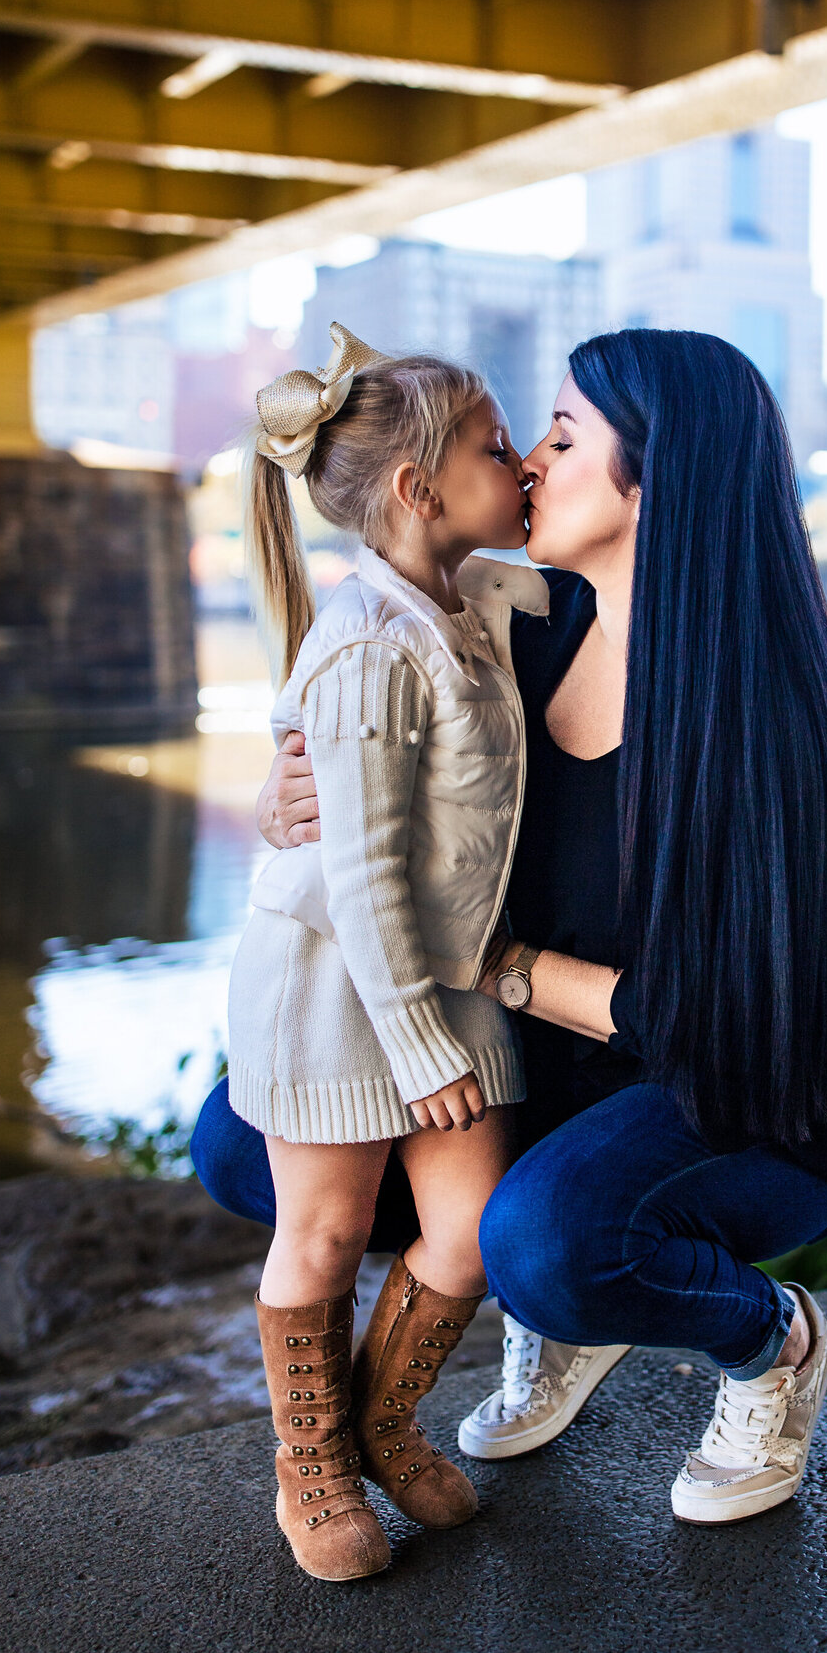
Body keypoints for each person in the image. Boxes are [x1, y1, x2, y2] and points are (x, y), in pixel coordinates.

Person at [194, 327, 827, 1529]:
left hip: (743, 1090)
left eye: (564, 438)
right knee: (240, 1138)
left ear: (655, 480)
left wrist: (496, 969)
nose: (528, 461)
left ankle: (768, 1347)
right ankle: (547, 1323)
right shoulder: (519, 632)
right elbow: (381, 760)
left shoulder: (749, 718)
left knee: (551, 1240)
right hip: (566, 1067)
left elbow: (698, 1013)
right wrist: (288, 794)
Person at [227, 321, 547, 1582]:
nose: (521, 466)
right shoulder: (365, 640)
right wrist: (417, 1045)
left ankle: (379, 1419)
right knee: (322, 1226)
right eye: (496, 446)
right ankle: (310, 1463)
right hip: (338, 981)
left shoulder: (461, 604)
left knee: (470, 1231)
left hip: (442, 970)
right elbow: (356, 873)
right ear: (419, 490)